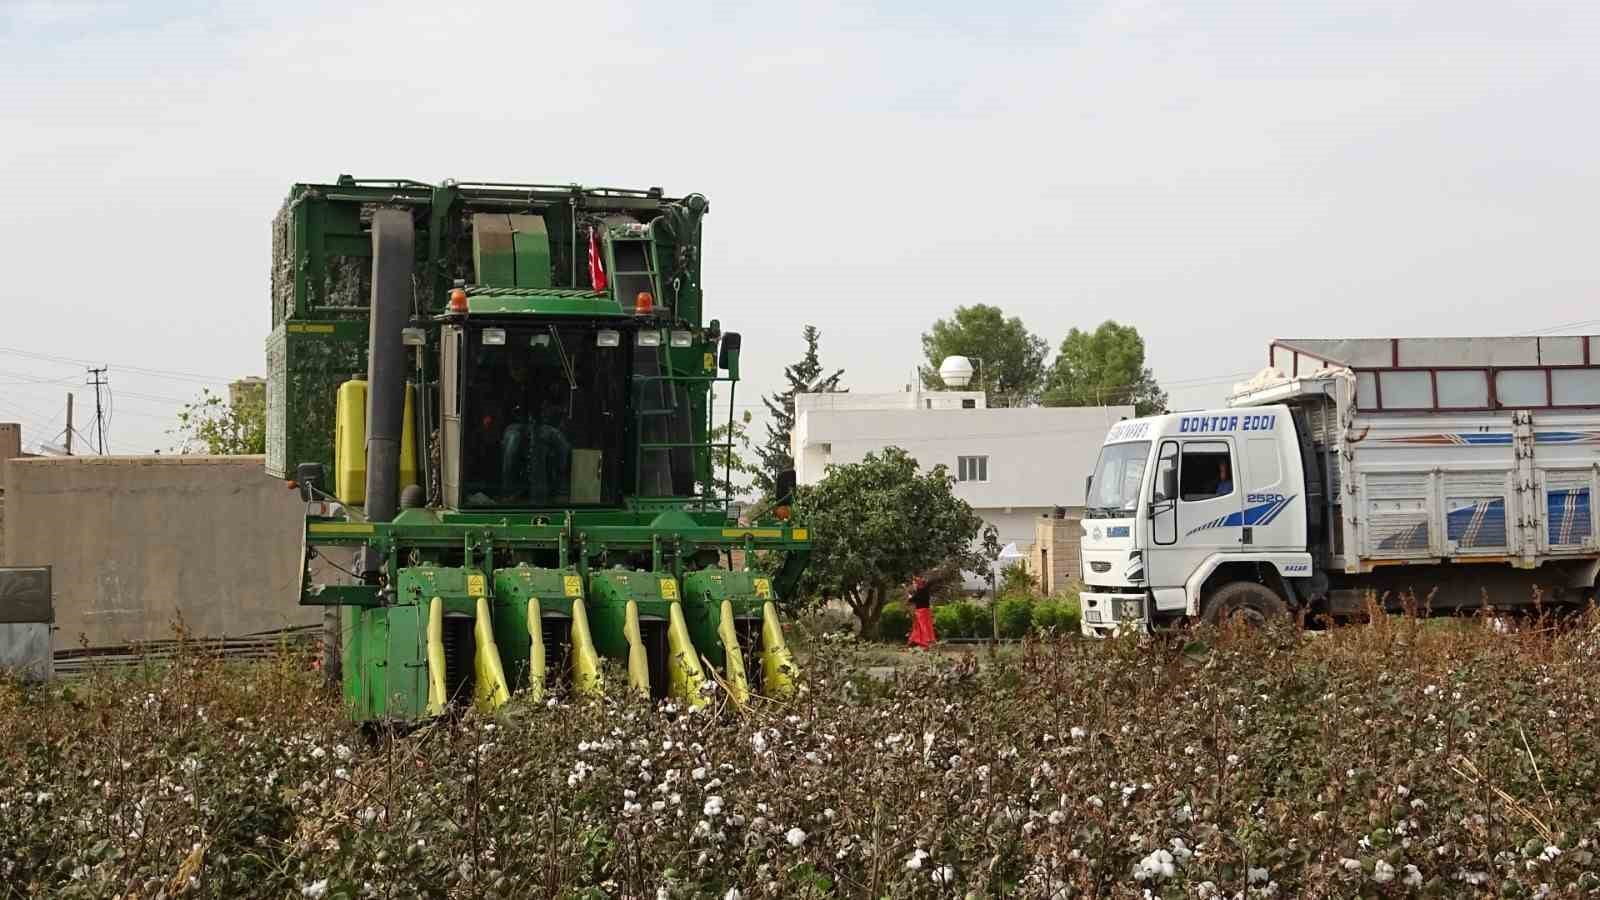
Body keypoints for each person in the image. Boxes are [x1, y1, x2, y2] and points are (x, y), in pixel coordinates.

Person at [907, 575, 936, 649]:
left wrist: (909, 596)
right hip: (927, 611)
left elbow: (911, 600)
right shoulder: (925, 590)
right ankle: (918, 641)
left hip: (920, 612)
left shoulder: (918, 592)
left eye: (914, 583)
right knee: (927, 626)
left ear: (918, 584)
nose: (914, 585)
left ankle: (925, 642)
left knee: (921, 626)